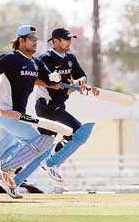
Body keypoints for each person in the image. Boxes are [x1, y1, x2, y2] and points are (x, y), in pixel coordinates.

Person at [0, 25, 62, 201]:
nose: (35, 42)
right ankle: (8, 168)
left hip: (19, 114)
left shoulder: (36, 62)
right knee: (41, 140)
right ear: (21, 40)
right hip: (7, 113)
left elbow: (50, 81)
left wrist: (56, 78)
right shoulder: (10, 59)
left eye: (36, 39)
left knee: (2, 152)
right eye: (31, 39)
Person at [35, 27, 90, 182]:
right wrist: (53, 84)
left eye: (70, 38)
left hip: (59, 105)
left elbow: (82, 77)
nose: (69, 41)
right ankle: (51, 161)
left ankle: (13, 171)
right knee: (77, 131)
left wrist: (76, 83)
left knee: (41, 144)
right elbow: (38, 80)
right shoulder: (45, 58)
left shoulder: (71, 57)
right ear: (56, 41)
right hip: (47, 105)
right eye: (66, 39)